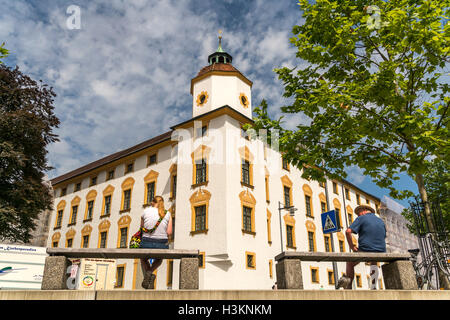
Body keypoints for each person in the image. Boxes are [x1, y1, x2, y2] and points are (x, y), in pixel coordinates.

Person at [337, 204, 386, 290]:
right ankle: (374, 287)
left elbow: (348, 232)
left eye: (358, 213)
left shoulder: (362, 218)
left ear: (364, 210)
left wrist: (352, 246)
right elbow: (384, 235)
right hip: (381, 250)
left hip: (366, 250)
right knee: (373, 261)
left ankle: (348, 288)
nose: (357, 215)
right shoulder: (380, 221)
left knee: (349, 262)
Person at [139, 195, 172, 289]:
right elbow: (169, 232)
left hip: (146, 242)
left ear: (152, 203)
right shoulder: (167, 213)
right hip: (162, 243)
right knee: (159, 258)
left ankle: (148, 273)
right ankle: (150, 273)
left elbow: (141, 229)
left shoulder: (145, 211)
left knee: (143, 258)